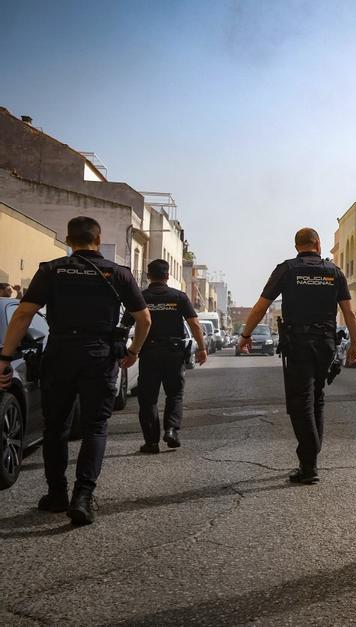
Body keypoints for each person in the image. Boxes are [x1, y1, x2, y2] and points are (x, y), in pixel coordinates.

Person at [0, 216, 151, 525]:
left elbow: (23, 315)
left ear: (69, 241)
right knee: (95, 427)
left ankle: (57, 495)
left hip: (60, 356)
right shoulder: (117, 273)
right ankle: (83, 497)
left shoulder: (51, 270)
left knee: (55, 428)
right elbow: (145, 320)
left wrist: (5, 357)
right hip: (99, 357)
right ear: (98, 240)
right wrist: (133, 351)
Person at [238, 228, 356, 484]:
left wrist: (246, 335)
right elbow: (349, 313)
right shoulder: (333, 272)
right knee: (316, 398)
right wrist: (355, 344)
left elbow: (262, 306)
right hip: (326, 342)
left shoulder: (287, 269)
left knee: (300, 402)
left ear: (297, 247)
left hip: (299, 343)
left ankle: (309, 463)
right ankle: (310, 460)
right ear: (318, 244)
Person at [126, 259, 208, 454]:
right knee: (174, 394)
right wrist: (201, 348)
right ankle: (171, 431)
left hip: (149, 354)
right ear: (167, 275)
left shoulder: (141, 297)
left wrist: (130, 351)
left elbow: (126, 323)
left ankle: (151, 442)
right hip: (174, 353)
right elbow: (195, 323)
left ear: (148, 276)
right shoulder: (178, 297)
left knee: (148, 399)